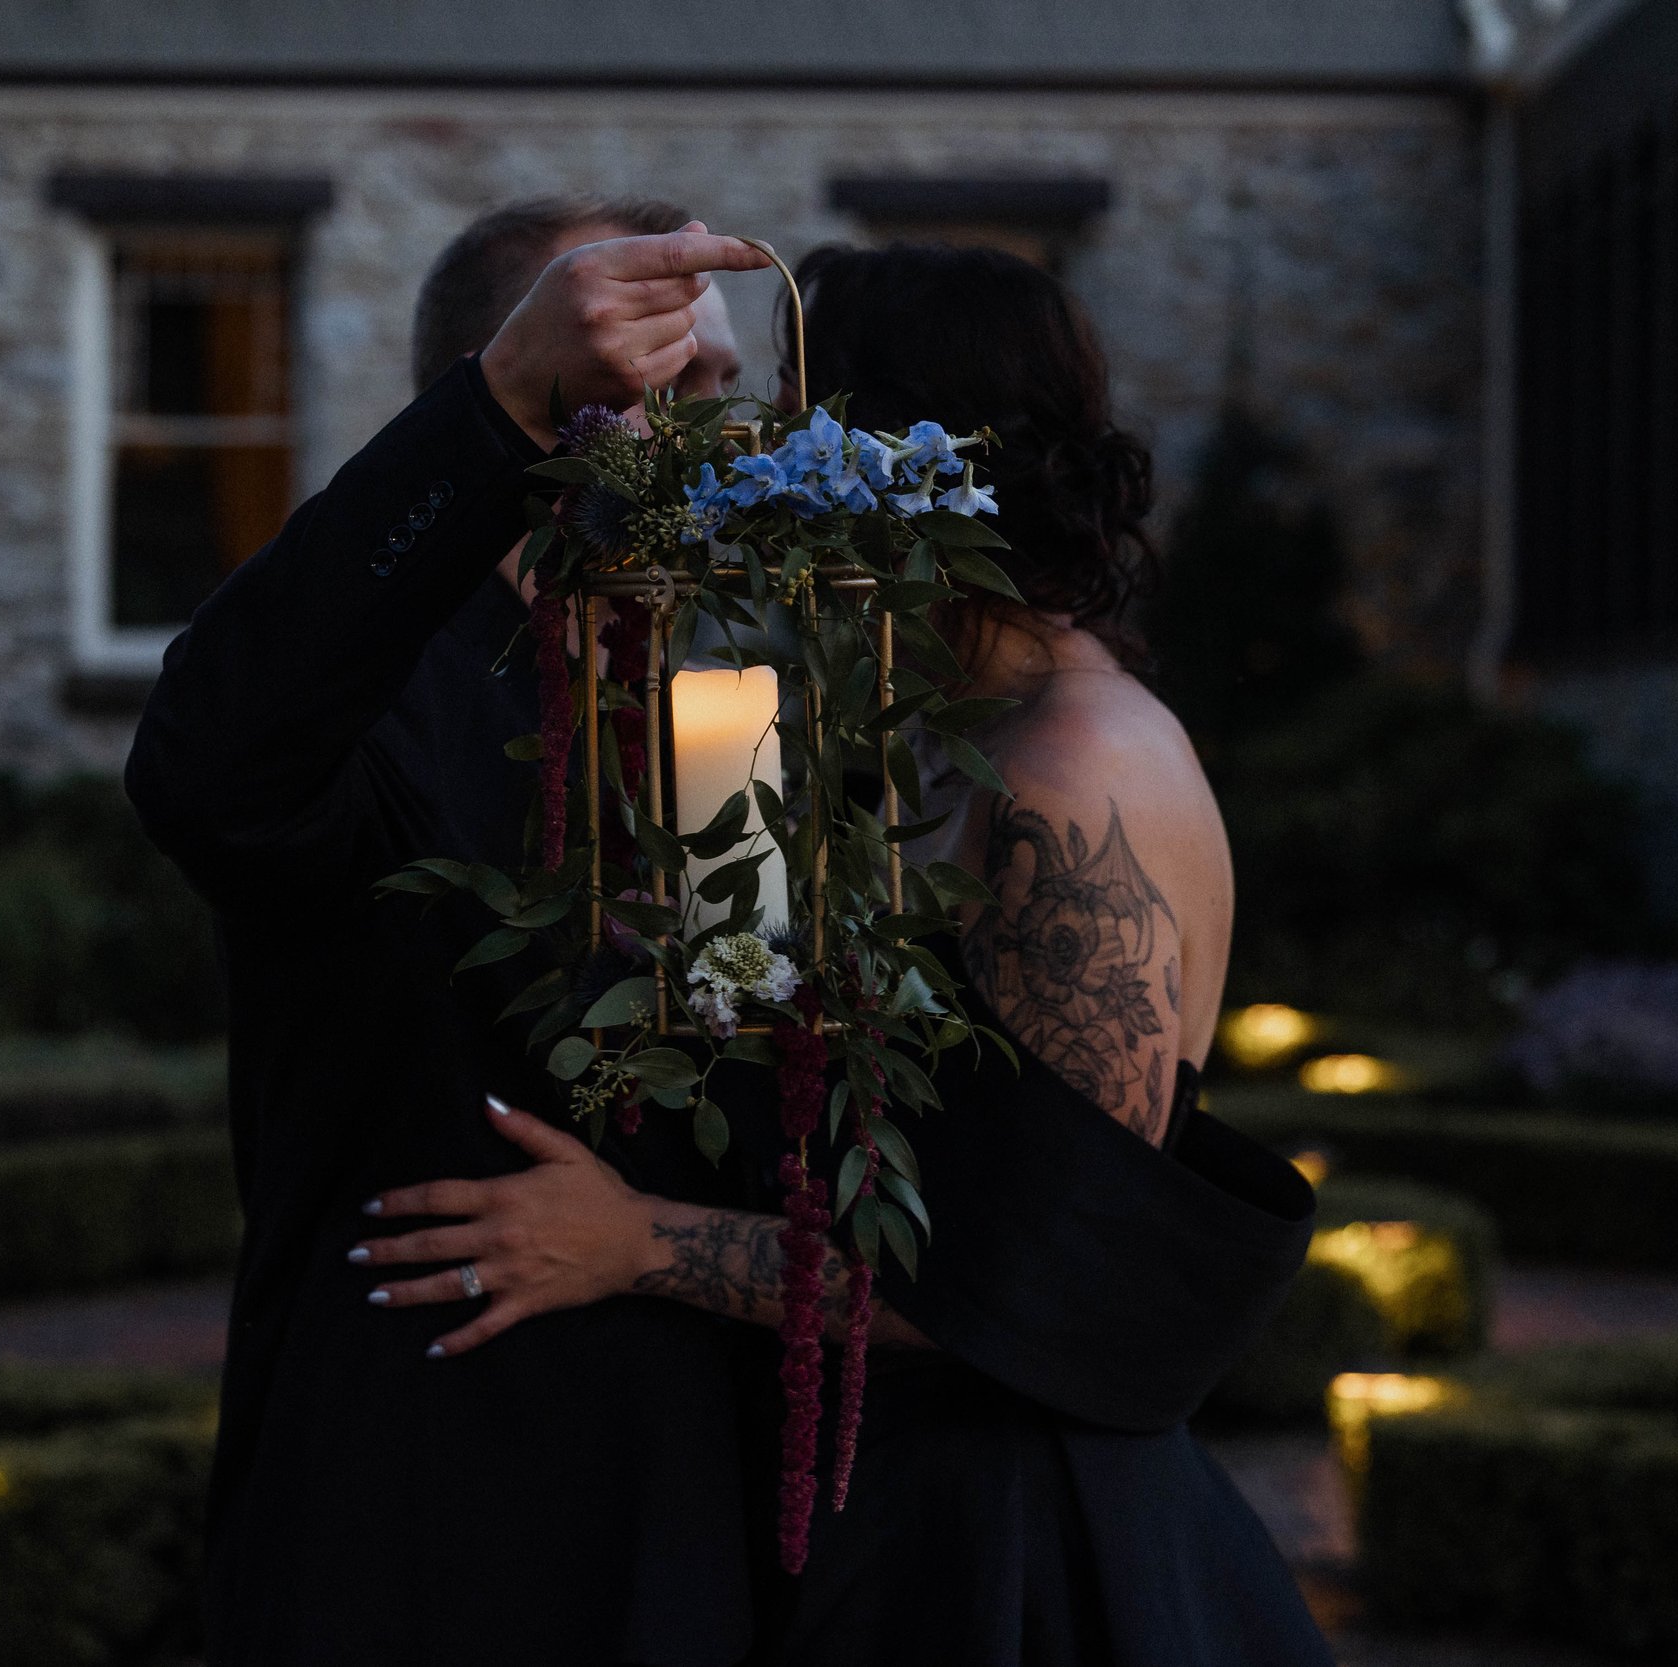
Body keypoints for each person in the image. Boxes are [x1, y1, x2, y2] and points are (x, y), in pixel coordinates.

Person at [349, 243, 1334, 1666]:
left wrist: (638, 1248)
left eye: (789, 415)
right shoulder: (890, 718)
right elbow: (741, 1036)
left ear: (905, 457)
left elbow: (1039, 1276)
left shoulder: (1079, 772)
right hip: (833, 1494)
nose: (752, 454)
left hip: (1007, 1534)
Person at [125, 199, 765, 1667]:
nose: (720, 432)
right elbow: (199, 764)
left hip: (691, 1534)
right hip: (408, 1521)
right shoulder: (370, 697)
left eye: (730, 386)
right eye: (671, 374)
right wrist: (489, 417)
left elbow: (759, 1104)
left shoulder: (735, 721)